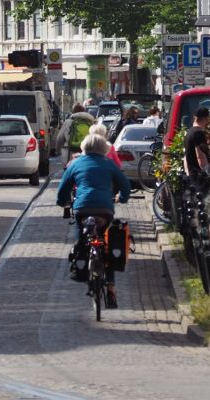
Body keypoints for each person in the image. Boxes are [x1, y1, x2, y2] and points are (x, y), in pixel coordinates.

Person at [55, 131, 132, 308]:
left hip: (82, 209)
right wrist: (124, 197)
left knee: (82, 239)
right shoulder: (109, 164)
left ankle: (82, 265)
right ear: (103, 148)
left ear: (84, 147)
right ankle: (111, 288)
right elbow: (125, 184)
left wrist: (62, 202)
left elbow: (63, 187)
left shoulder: (75, 163)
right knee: (108, 243)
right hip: (105, 210)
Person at [183, 107, 210, 180]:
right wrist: (208, 173)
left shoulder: (189, 132)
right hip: (199, 177)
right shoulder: (199, 133)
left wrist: (188, 173)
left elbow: (185, 156)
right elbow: (200, 156)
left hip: (192, 175)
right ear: (207, 119)